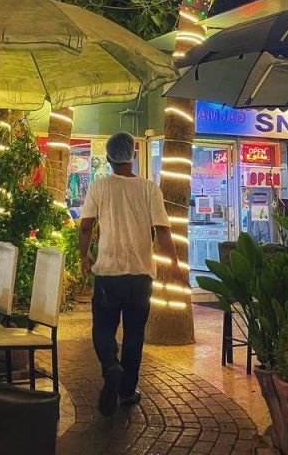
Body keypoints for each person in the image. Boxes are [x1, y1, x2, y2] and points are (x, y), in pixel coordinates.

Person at [79, 132, 185, 416]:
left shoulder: (99, 187)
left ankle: (111, 367)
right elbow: (163, 230)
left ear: (109, 157)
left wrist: (84, 256)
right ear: (133, 154)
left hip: (108, 275)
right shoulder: (149, 188)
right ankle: (127, 391)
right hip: (140, 276)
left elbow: (86, 226)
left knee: (102, 328)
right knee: (135, 334)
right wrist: (175, 266)